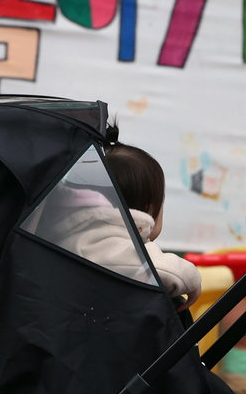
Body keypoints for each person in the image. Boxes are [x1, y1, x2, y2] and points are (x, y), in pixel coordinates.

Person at [44, 125, 202, 309]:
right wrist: (190, 279)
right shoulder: (99, 237)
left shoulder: (73, 231)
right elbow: (154, 268)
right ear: (149, 210)